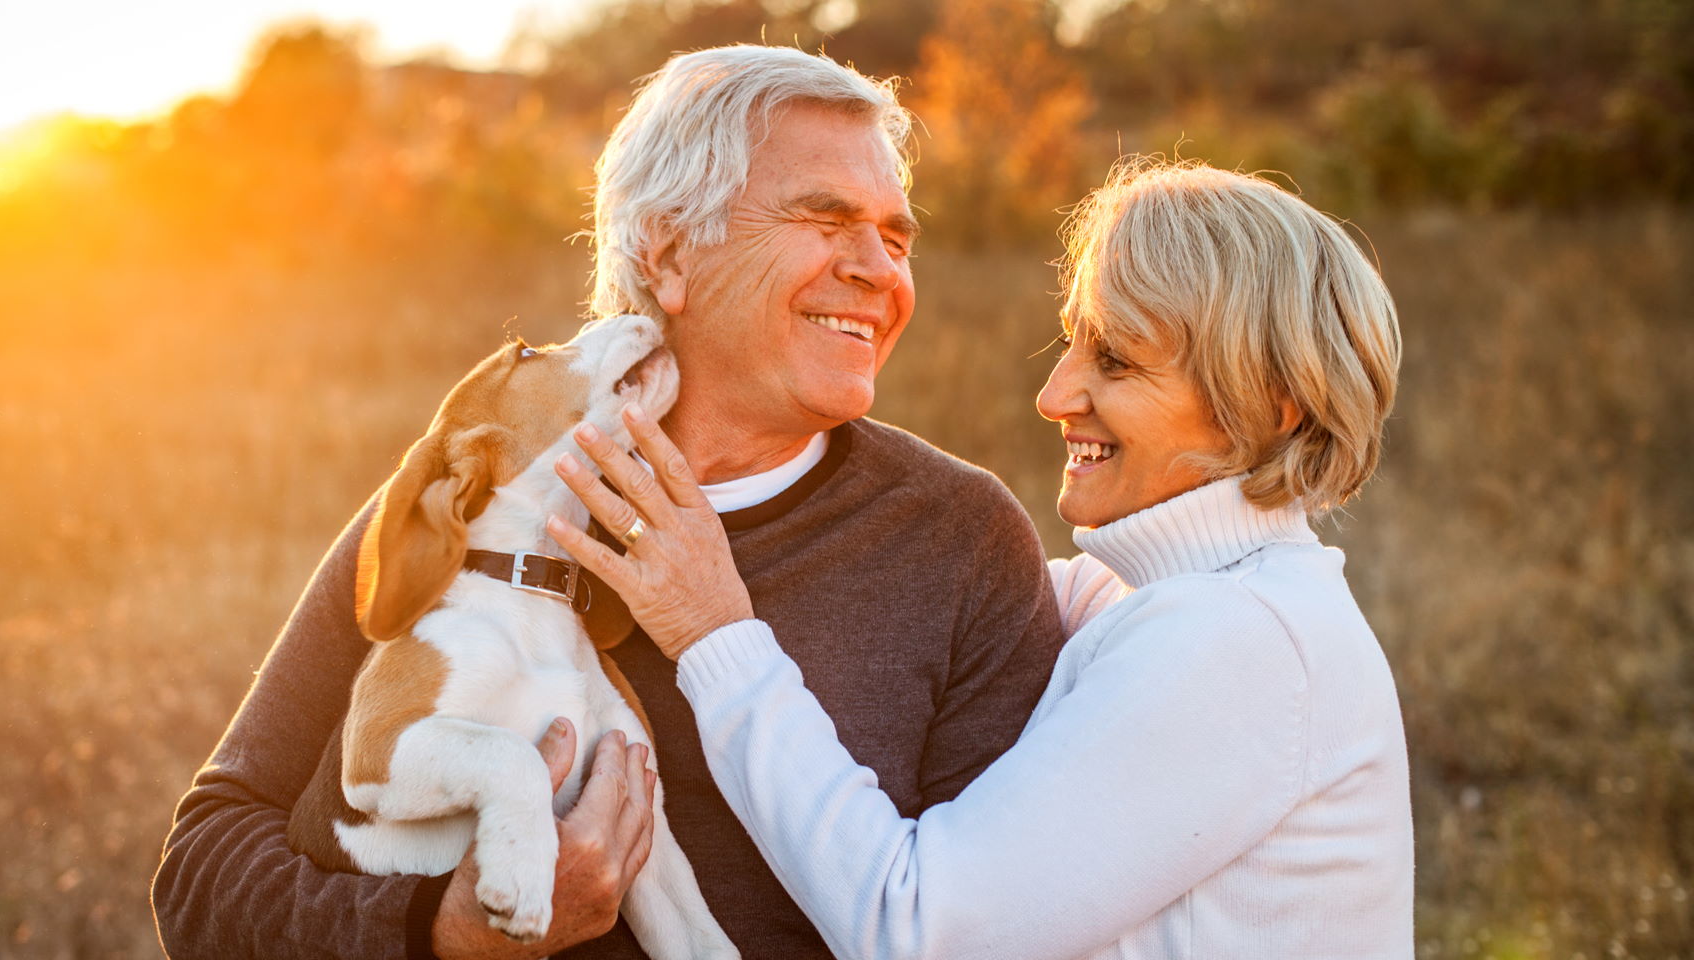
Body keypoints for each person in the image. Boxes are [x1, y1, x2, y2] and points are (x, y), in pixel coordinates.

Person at [152, 45, 1068, 958]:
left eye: (897, 237)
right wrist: (444, 930)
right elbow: (201, 871)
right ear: (667, 253)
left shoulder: (961, 541)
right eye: (826, 221)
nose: (879, 270)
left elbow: (995, 924)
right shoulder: (483, 502)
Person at [549, 160, 1413, 958]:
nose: (1054, 395)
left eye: (1114, 359)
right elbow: (967, 587)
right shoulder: (1168, 597)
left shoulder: (1238, 640)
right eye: (1071, 342)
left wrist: (715, 632)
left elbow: (922, 928)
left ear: (1269, 403)